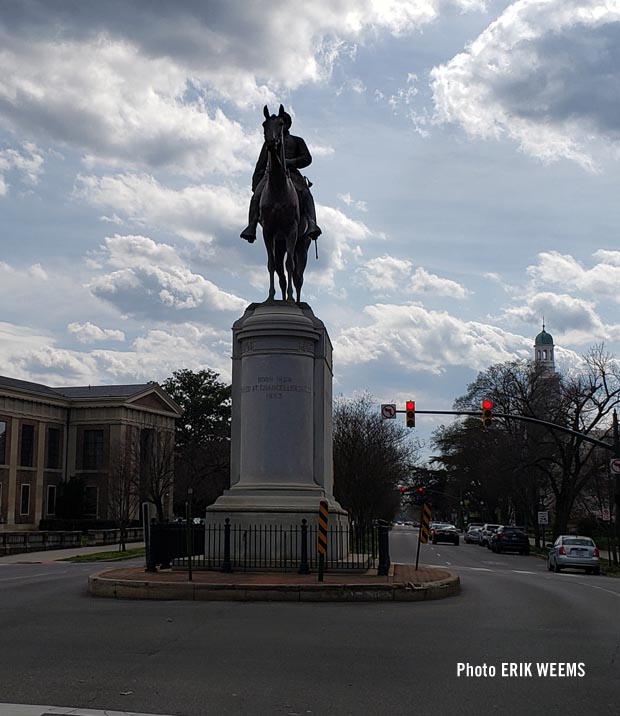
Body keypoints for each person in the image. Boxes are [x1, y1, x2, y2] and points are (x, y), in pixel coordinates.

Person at [240, 109, 321, 243]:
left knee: (306, 193)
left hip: (292, 173)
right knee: (255, 198)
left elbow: (307, 158)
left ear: (287, 124)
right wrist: (256, 185)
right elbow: (260, 164)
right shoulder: (268, 143)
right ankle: (252, 225)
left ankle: (311, 222)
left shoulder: (297, 141)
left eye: (284, 123)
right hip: (269, 175)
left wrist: (291, 162)